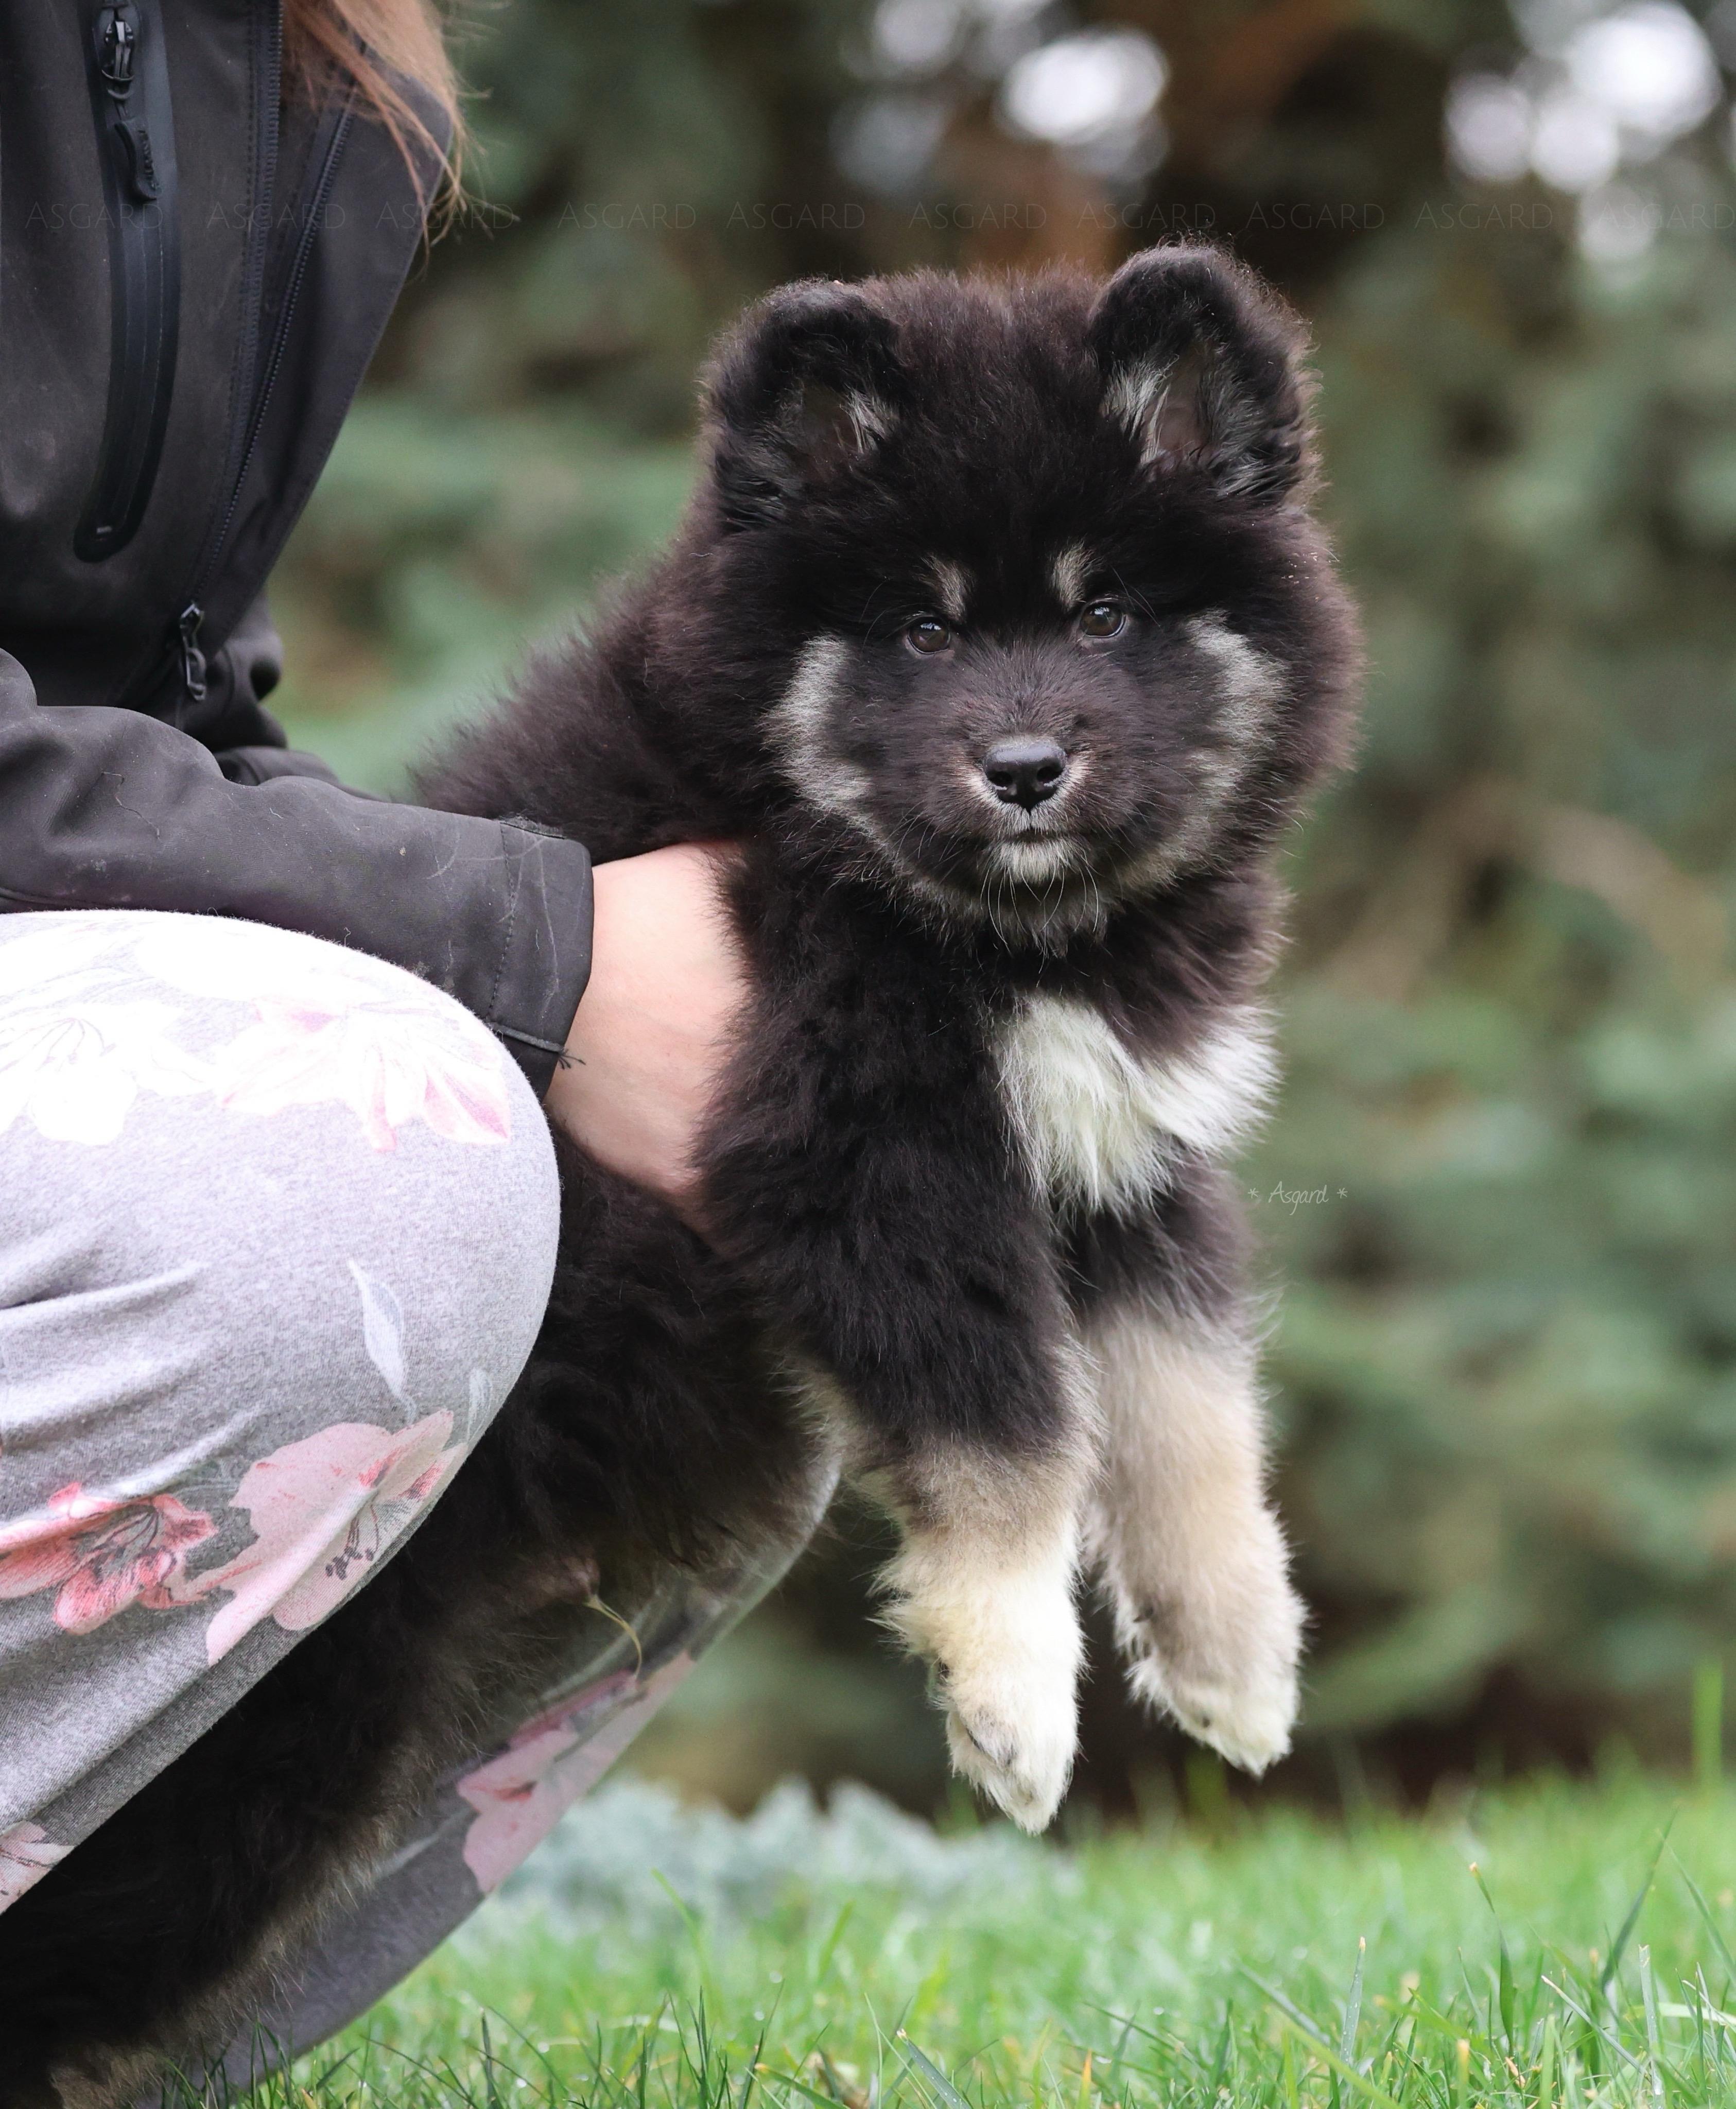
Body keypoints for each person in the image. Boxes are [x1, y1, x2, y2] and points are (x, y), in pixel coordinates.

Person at [0, 0, 784, 2078]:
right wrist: (531, 954)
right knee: (363, 1191)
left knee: (727, 1267)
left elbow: (146, 721)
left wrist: (623, 980)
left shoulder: (283, 45)